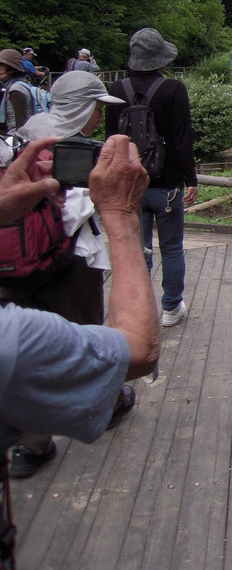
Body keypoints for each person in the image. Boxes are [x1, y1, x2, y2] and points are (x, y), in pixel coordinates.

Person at [4, 73, 132, 477]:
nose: (99, 117)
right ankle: (108, 404)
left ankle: (32, 446)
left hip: (12, 265)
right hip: (68, 261)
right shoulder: (76, 147)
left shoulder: (21, 137)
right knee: (87, 332)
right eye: (98, 107)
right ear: (84, 107)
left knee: (27, 349)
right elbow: (75, 210)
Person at [104, 28, 198, 328]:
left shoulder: (116, 90)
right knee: (171, 248)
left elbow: (110, 139)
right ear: (160, 59)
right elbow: (182, 139)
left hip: (129, 183)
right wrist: (190, 179)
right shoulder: (174, 89)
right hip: (166, 183)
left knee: (136, 248)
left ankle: (139, 308)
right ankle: (171, 308)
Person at [0, 49, 44, 133]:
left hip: (15, 138)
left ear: (11, 69)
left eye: (1, 68)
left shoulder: (16, 89)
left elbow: (21, 124)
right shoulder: (19, 84)